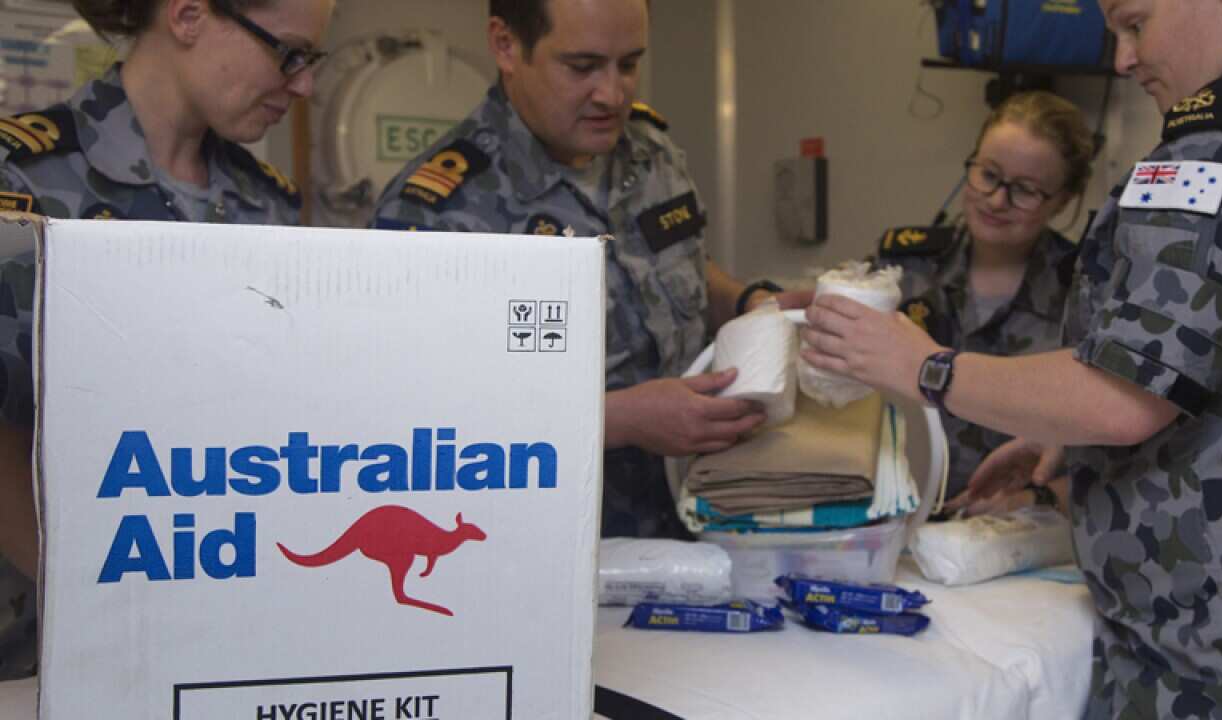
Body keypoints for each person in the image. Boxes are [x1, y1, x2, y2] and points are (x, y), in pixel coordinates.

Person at [802, 0, 1222, 716]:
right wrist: (1063, 436)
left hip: (1220, 646)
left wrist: (928, 368)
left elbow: (1120, 398)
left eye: (1134, 22)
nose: (1121, 59)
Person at [372, 0, 807, 539]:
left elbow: (681, 266)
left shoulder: (652, 154)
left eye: (628, 64)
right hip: (546, 546)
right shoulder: (437, 212)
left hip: (696, 521)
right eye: (582, 67)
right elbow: (413, 423)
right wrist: (621, 419)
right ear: (506, 46)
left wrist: (750, 304)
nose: (613, 94)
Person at [0, 0, 334, 679]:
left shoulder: (264, 203)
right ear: (187, 17)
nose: (304, 86)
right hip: (40, 644)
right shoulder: (21, 180)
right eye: (289, 54)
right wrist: (109, 606)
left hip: (224, 621)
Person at [876, 90, 1093, 516]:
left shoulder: (1084, 288)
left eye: (1025, 191)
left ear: (1063, 200)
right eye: (989, 175)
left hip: (1019, 532)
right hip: (892, 515)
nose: (997, 201)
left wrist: (1038, 499)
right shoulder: (904, 268)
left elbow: (1106, 448)